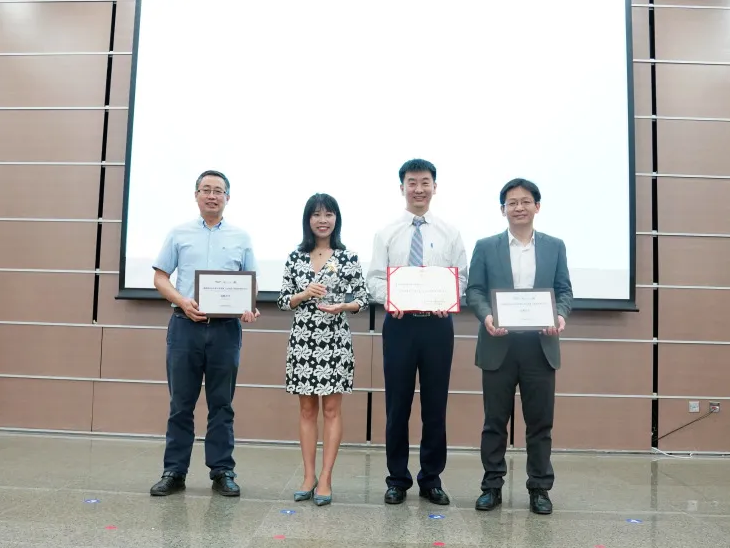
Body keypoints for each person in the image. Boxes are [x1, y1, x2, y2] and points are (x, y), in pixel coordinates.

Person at [149, 169, 260, 497]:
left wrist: (248, 306)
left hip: (226, 331)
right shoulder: (178, 233)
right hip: (185, 328)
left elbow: (249, 285)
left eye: (219, 191)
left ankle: (222, 470)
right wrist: (183, 302)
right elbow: (160, 277)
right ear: (196, 195)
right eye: (206, 190)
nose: (212, 196)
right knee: (180, 404)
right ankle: (174, 471)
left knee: (222, 404)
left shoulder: (241, 237)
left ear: (228, 197)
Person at [465, 178, 573, 515]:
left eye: (526, 201)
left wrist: (559, 315)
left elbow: (564, 291)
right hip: (498, 344)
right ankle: (492, 486)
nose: (519, 208)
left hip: (540, 346)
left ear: (537, 207)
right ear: (503, 210)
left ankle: (540, 488)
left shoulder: (555, 246)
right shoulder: (485, 246)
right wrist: (486, 318)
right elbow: (475, 291)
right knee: (494, 422)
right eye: (512, 203)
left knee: (540, 423)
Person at [366, 158, 467, 506]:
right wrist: (390, 297)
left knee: (435, 406)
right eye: (412, 182)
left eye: (425, 182)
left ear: (434, 187)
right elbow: (374, 279)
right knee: (398, 406)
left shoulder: (450, 233)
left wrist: (450, 297)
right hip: (400, 326)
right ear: (402, 188)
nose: (419, 189)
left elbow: (462, 277)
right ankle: (397, 479)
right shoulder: (387, 232)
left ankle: (431, 479)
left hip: (438, 326)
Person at [277, 193, 369, 506]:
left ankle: (326, 478)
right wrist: (303, 294)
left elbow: (362, 299)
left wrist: (345, 305)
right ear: (308, 220)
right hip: (303, 340)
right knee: (306, 410)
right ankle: (308, 475)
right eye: (316, 215)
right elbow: (282, 301)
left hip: (335, 340)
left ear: (336, 219)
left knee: (331, 410)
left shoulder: (348, 257)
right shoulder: (294, 257)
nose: (323, 220)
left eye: (328, 214)